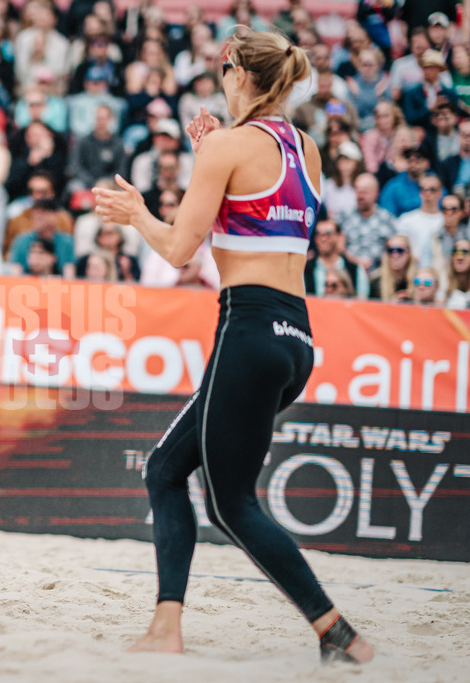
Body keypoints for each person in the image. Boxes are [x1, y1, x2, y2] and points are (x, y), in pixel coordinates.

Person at [92, 29, 373, 664]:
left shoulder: (227, 146)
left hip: (247, 329)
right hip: (296, 336)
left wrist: (137, 210)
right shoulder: (306, 149)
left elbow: (177, 249)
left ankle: (338, 633)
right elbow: (255, 225)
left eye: (224, 68)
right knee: (166, 470)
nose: (218, 76)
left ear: (242, 76)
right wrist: (208, 153)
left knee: (230, 503)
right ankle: (169, 626)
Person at [370, 234, 417, 301]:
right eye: (391, 250)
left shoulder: (418, 280)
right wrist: (392, 305)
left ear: (408, 253)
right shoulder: (376, 281)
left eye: (400, 250)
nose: (395, 255)